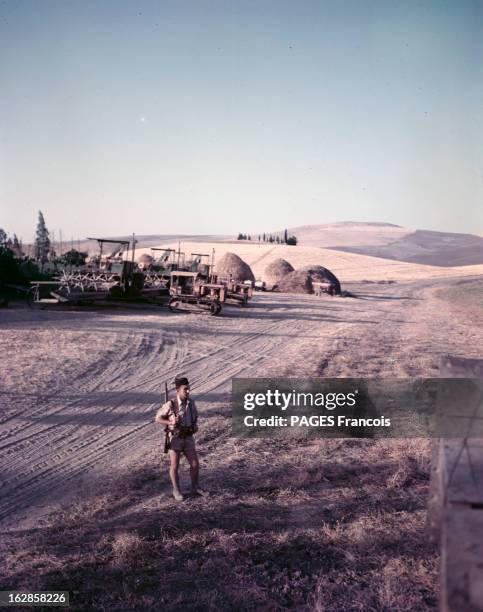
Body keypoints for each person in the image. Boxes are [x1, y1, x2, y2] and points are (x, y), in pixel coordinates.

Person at [155, 375, 205, 501]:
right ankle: (176, 490)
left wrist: (194, 427)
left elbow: (195, 419)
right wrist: (171, 422)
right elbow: (158, 418)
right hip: (175, 439)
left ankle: (195, 487)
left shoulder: (191, 403)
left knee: (195, 464)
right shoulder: (170, 404)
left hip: (188, 437)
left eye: (188, 389)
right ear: (178, 390)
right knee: (175, 465)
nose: (188, 391)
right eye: (185, 389)